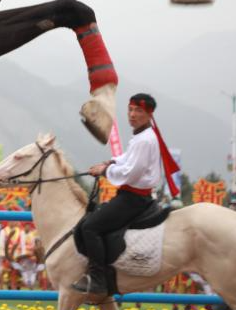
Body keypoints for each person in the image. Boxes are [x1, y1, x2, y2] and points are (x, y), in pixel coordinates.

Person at [72, 93, 180, 295]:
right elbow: (128, 159)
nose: (132, 114)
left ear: (149, 114)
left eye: (138, 111)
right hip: (135, 196)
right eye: (130, 109)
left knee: (89, 227)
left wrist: (104, 171)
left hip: (133, 199)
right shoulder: (143, 135)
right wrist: (111, 162)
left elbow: (132, 172)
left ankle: (98, 279)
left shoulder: (144, 140)